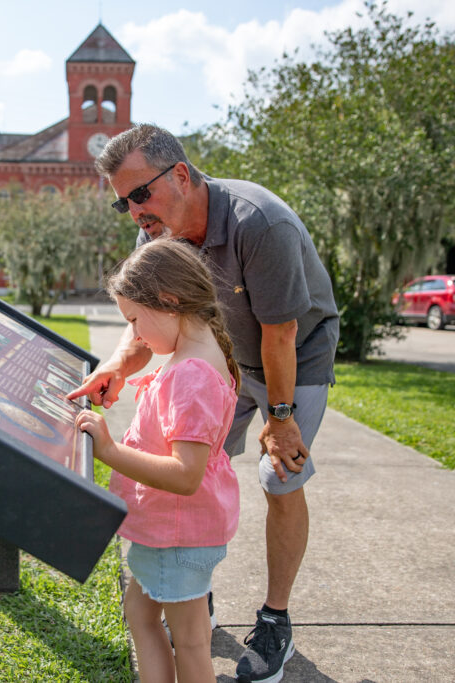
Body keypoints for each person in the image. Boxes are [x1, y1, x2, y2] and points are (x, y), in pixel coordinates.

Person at [67, 123, 339, 683]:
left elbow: (280, 333)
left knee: (280, 480)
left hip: (293, 356)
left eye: (141, 193)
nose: (135, 211)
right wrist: (117, 367)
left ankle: (275, 619)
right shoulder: (156, 236)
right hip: (223, 359)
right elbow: (142, 319)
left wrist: (281, 419)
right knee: (204, 461)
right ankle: (192, 589)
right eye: (124, 203)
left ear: (182, 175)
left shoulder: (259, 223)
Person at [75, 238, 240, 683]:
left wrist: (110, 450)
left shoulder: (191, 374)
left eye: (134, 321)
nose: (135, 337)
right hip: (176, 531)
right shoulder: (199, 354)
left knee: (189, 641)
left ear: (168, 302)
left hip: (177, 533)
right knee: (141, 615)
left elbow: (186, 475)